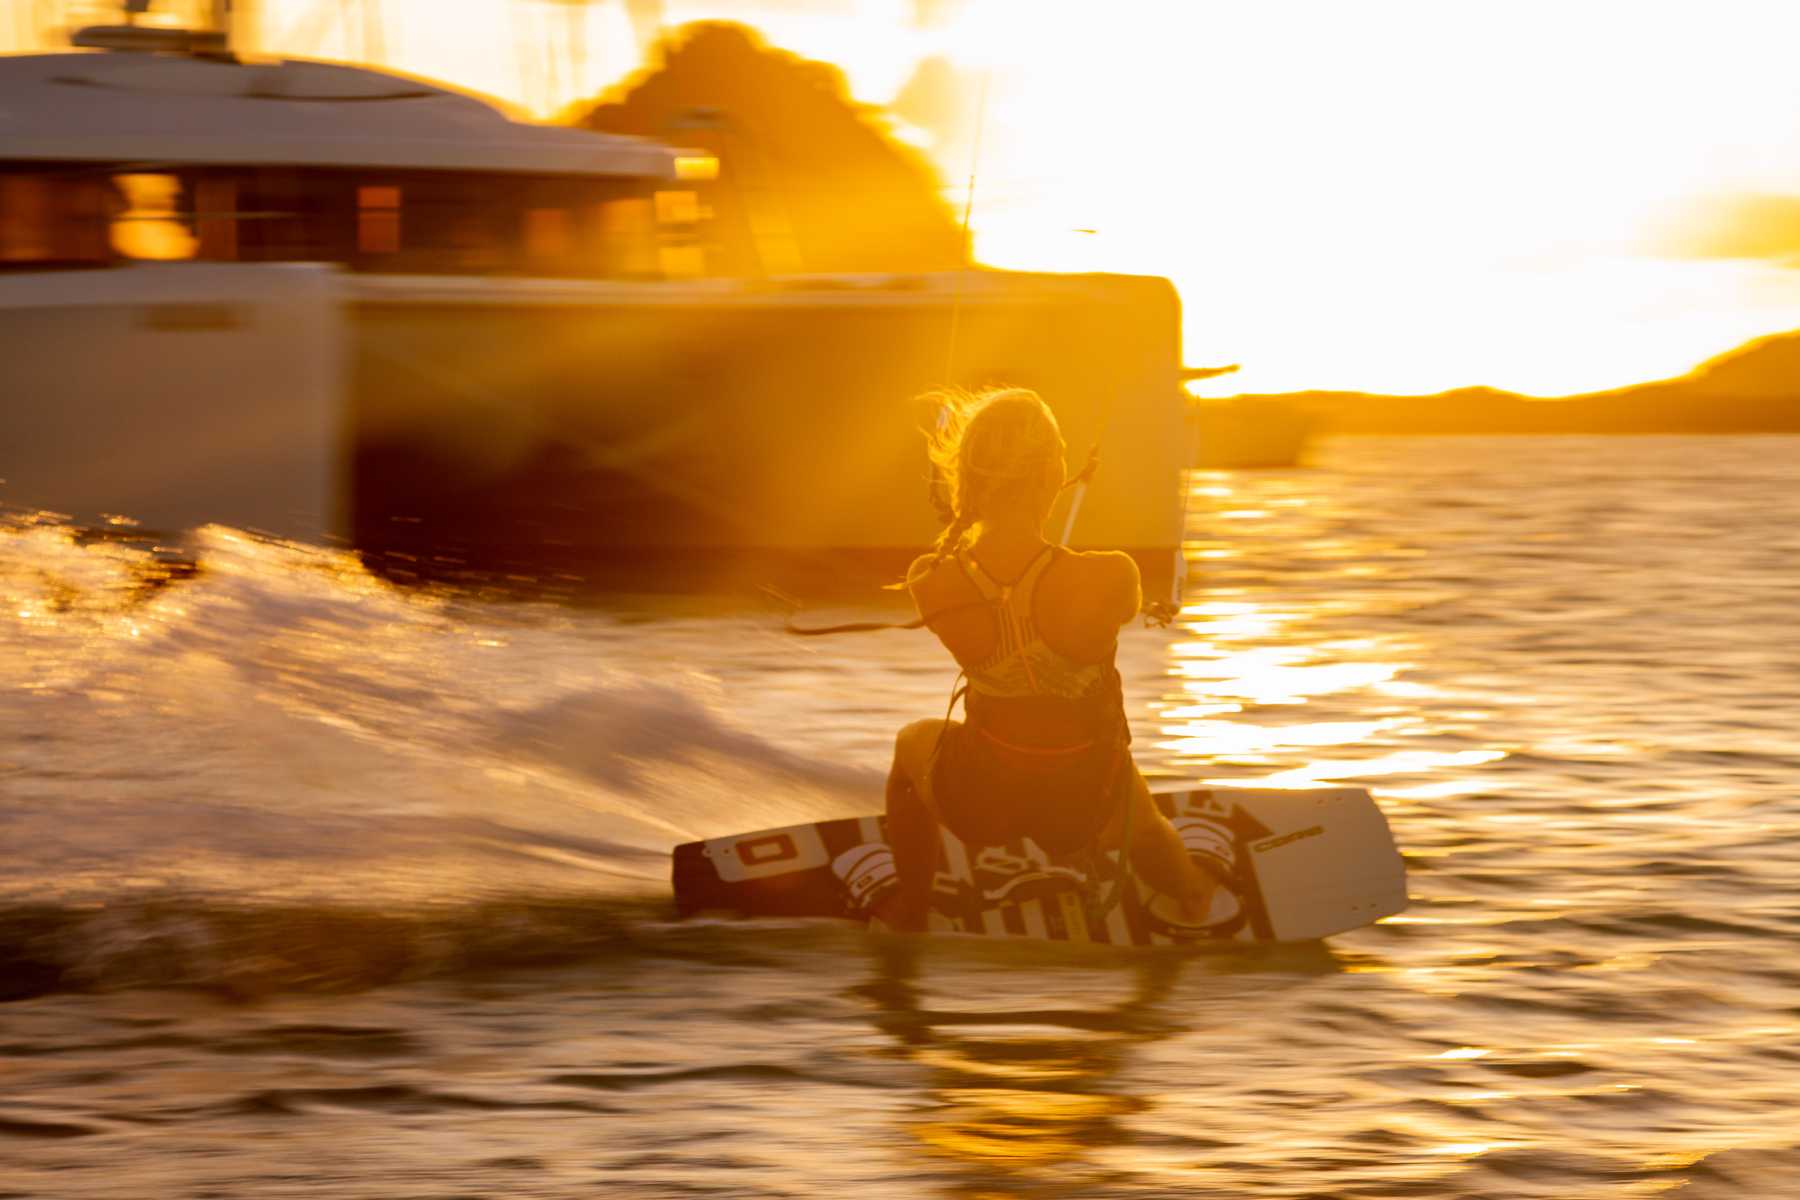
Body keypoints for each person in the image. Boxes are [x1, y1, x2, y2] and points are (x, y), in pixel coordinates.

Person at [875, 387, 1219, 933]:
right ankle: (1194, 895)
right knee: (1145, 822)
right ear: (1053, 474)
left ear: (964, 477)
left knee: (910, 745)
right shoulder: (1112, 573)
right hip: (1085, 802)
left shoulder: (929, 578)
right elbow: (1124, 611)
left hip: (979, 799)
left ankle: (913, 910)